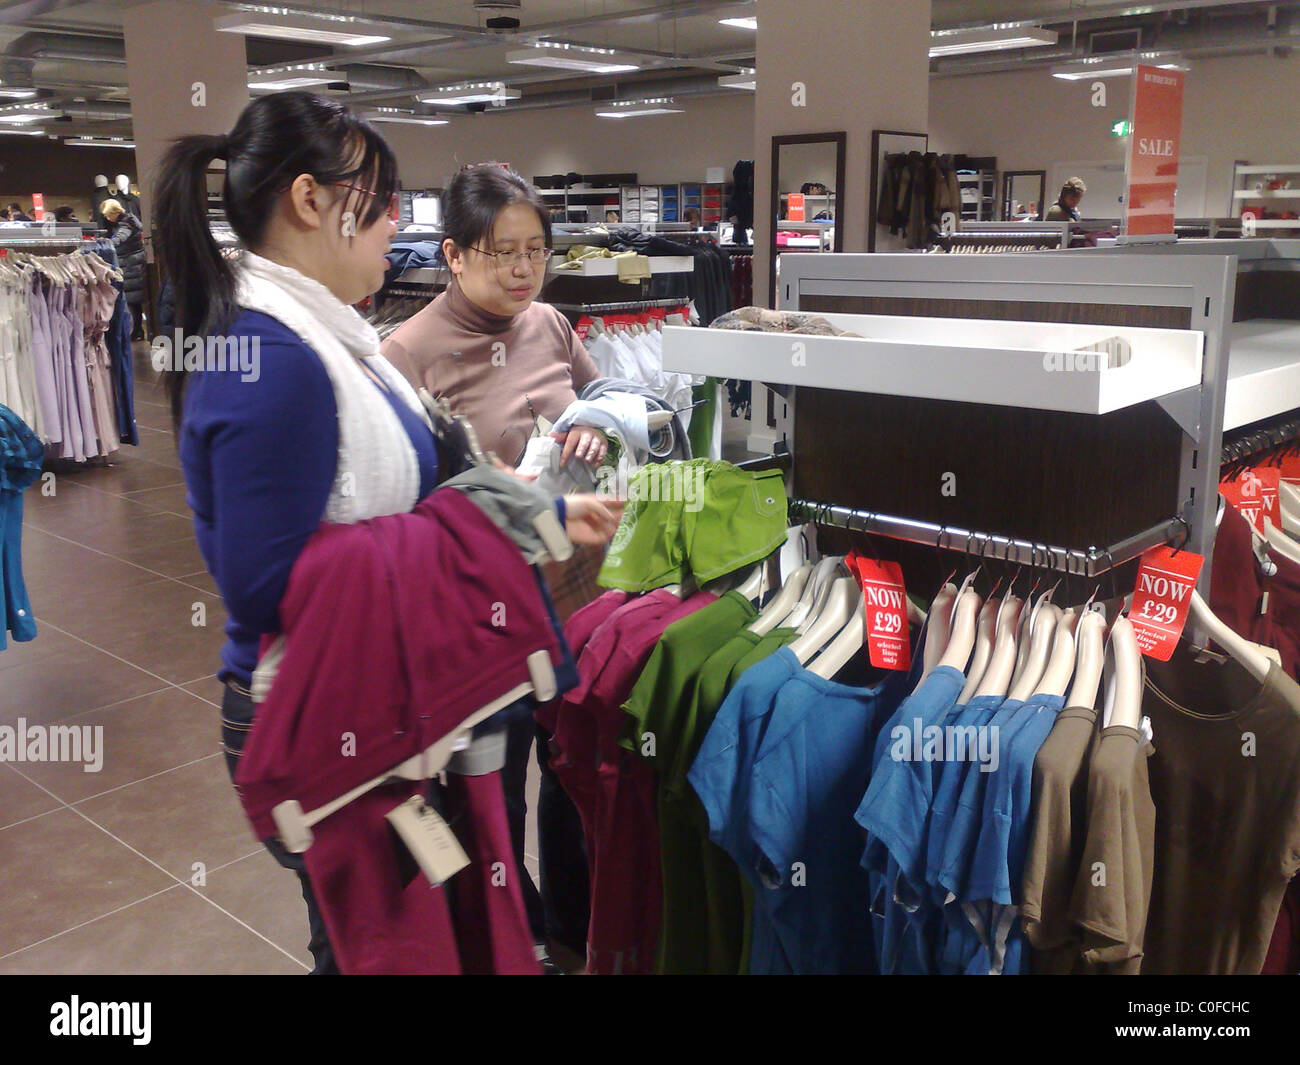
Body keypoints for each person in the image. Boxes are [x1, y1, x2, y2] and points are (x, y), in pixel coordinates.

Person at [152, 92, 621, 975]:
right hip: (317, 710)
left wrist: (538, 515)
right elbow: (268, 580)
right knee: (375, 947)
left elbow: (416, 485)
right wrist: (471, 541)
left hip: (362, 695)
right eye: (377, 202)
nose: (394, 223)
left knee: (398, 938)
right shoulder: (276, 356)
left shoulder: (328, 337)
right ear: (309, 201)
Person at [381, 162, 611, 969]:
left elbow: (605, 405)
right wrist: (489, 493)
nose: (521, 270)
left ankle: (571, 926)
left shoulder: (550, 324)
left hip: (578, 594)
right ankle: (506, 939)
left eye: (536, 251)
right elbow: (399, 503)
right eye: (501, 252)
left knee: (575, 765)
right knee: (494, 788)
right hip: (486, 618)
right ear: (453, 253)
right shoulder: (406, 352)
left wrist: (596, 431)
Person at [101, 198, 148, 339]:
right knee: (134, 302)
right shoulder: (127, 221)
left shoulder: (126, 224)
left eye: (108, 215)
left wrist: (107, 244)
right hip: (132, 263)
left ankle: (136, 331)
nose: (107, 218)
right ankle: (137, 331)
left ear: (115, 212)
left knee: (132, 301)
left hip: (131, 265)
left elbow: (121, 238)